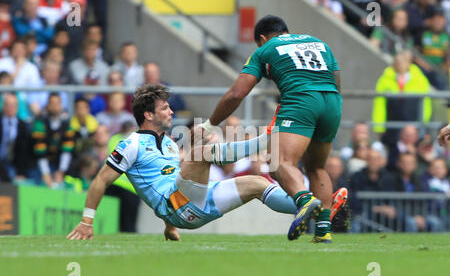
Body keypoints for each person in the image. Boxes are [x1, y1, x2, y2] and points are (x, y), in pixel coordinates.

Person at [66, 84, 321, 242]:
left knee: (256, 183)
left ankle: (308, 204)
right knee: (201, 153)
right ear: (148, 115)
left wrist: (168, 228)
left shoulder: (167, 143)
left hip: (196, 206)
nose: (171, 112)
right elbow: (101, 180)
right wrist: (87, 221)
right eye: (165, 108)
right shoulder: (130, 145)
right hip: (180, 208)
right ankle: (268, 137)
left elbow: (169, 178)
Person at [194, 15, 342, 243]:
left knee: (279, 163)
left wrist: (209, 124)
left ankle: (304, 200)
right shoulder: (319, 43)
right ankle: (323, 231)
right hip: (332, 103)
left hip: (300, 101)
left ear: (262, 38)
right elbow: (336, 80)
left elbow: (237, 93)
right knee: (317, 168)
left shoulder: (266, 49)